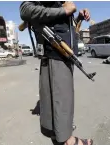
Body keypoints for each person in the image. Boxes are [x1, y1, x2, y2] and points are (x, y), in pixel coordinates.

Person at [19, 1, 93, 145]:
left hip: (63, 56)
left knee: (58, 102)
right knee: (62, 101)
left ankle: (59, 137)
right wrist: (64, 11)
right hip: (55, 54)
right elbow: (25, 10)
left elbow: (65, 28)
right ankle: (68, 141)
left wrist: (78, 18)